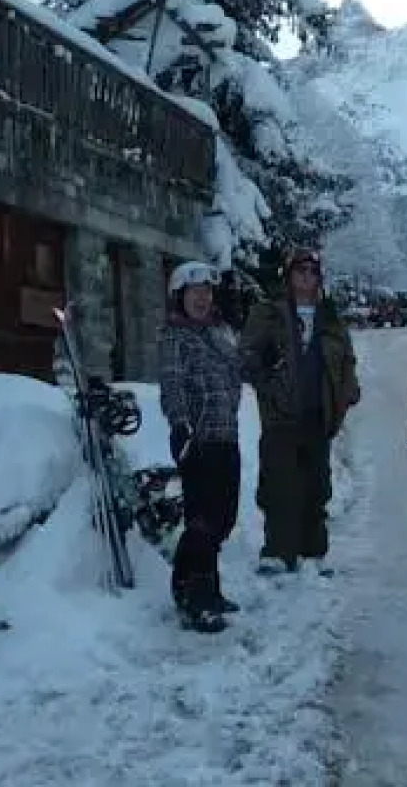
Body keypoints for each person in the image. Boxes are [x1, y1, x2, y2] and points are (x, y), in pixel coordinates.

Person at [241, 248, 360, 576]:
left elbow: (347, 361)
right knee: (280, 485)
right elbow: (247, 355)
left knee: (316, 486)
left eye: (312, 271)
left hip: (318, 415)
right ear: (289, 276)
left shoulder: (331, 319)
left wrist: (347, 393)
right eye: (300, 271)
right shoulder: (269, 313)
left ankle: (312, 552)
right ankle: (278, 551)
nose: (306, 277)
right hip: (280, 416)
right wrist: (267, 382)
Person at [157, 261, 244, 634]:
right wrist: (180, 424)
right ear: (180, 297)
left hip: (226, 437)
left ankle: (208, 586)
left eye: (207, 292)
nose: (203, 298)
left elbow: (235, 373)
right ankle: (194, 599)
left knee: (223, 520)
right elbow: (172, 385)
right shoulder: (175, 337)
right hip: (199, 440)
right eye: (195, 293)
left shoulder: (218, 333)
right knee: (202, 522)